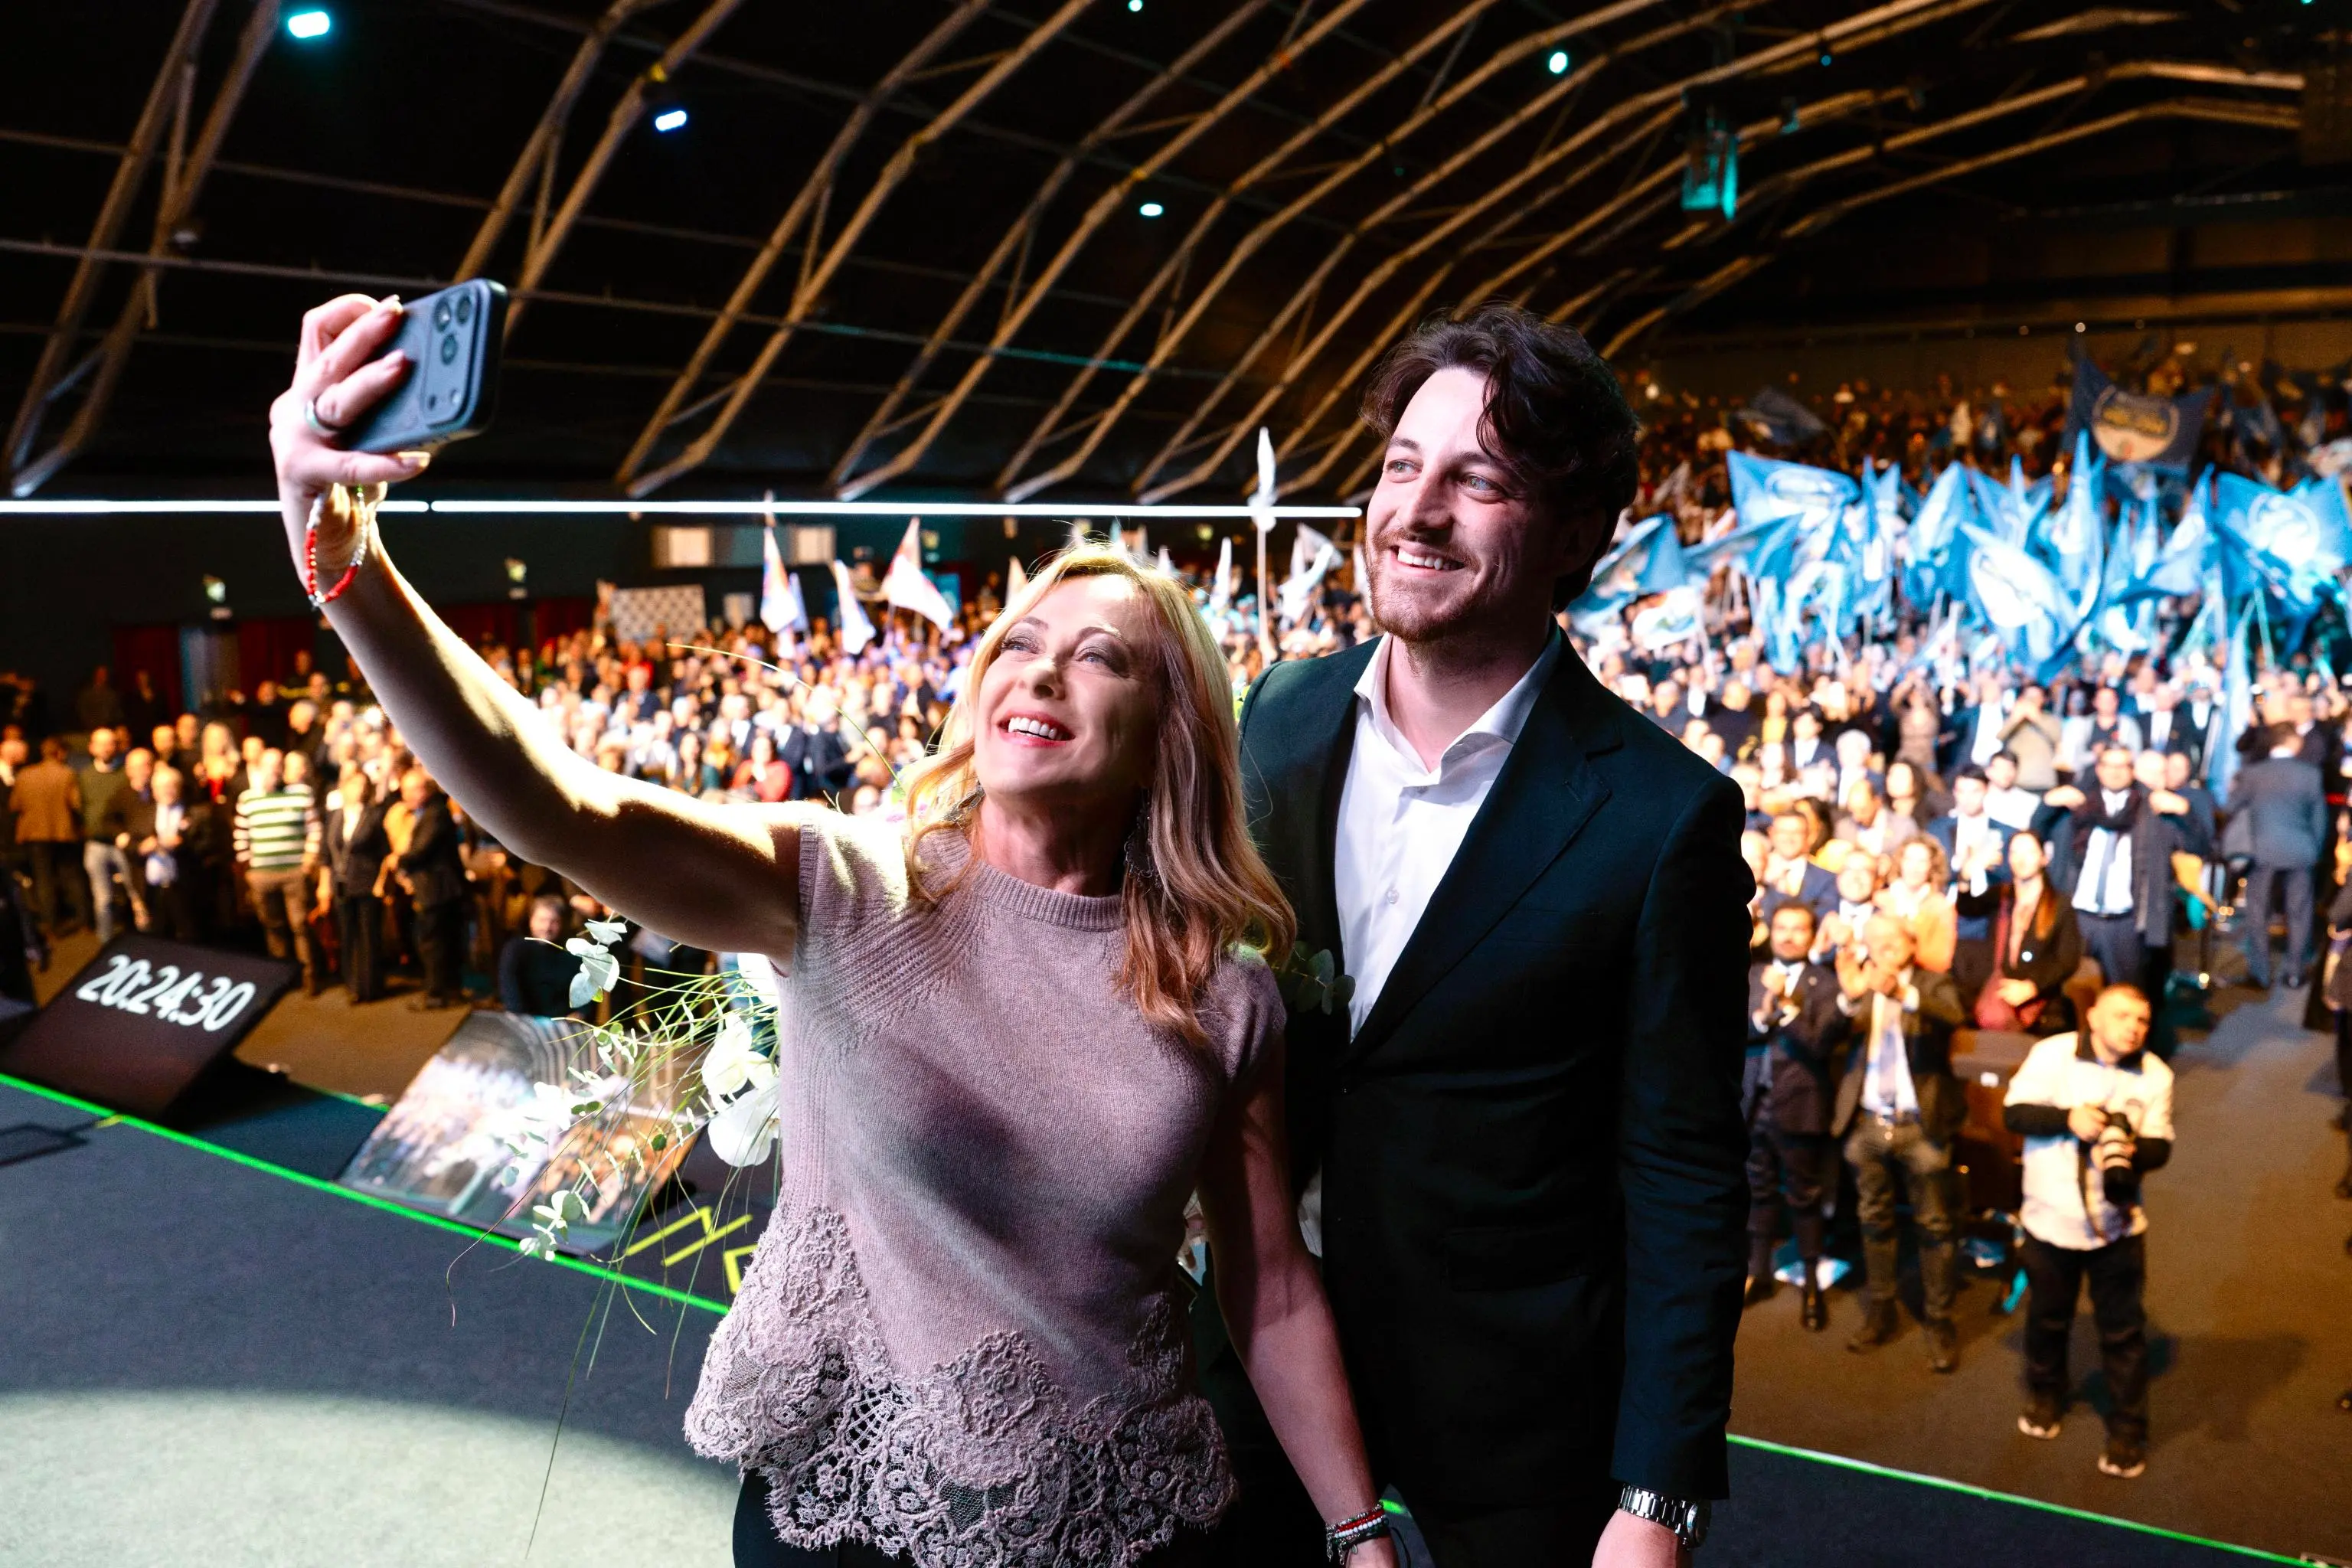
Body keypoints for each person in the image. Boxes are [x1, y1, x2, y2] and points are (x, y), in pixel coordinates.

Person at [270, 292, 1400, 1568]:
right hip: (846, 1523)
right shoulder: (845, 883)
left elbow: (1271, 1284)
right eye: (1019, 640)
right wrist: (343, 560)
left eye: (1098, 659)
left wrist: (1359, 1527)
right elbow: (555, 802)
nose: (1038, 668)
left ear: (1168, 734)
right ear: (976, 694)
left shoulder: (1222, 992)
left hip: (1118, 1522)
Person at [1204, 302, 1748, 1566]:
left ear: (1572, 532)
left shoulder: (1661, 817)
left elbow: (1683, 1174)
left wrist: (1655, 1493)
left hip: (1517, 1404)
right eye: (1401, 464)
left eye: (1477, 479)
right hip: (1262, 1351)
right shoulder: (1280, 715)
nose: (1416, 509)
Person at [2003, 985, 2173, 1480]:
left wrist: (2127, 1148)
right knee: (2047, 1321)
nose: (2133, 1027)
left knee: (2123, 1334)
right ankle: (2045, 1395)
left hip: (2117, 1228)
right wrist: (2067, 1120)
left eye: (2142, 1019)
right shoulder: (2052, 1054)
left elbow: (2161, 1147)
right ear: (2093, 1016)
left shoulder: (2154, 1073)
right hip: (2048, 1220)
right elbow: (2013, 1113)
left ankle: (2127, 1429)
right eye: (2122, 1015)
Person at [1837, 914, 1968, 1372]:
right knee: (1873, 1221)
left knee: (1934, 1225)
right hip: (1868, 1121)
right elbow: (1834, 1033)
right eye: (1875, 943)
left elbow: (1954, 1016)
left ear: (1912, 944)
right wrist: (1847, 995)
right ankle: (1882, 1310)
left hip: (1921, 1125)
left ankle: (1939, 1319)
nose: (1884, 950)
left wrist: (1902, 994)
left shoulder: (1932, 983)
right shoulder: (1863, 986)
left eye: (1892, 942)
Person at [1743, 901, 1850, 1332]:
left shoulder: (1824, 983)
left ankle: (1810, 1281)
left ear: (1812, 936)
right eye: (1781, 927)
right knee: (1757, 1191)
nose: (1788, 936)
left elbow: (1819, 1044)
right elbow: (1739, 1029)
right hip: (1754, 1102)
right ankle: (1758, 1272)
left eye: (1798, 929)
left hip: (1801, 1104)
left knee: (1804, 1196)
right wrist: (1762, 1014)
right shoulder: (1751, 974)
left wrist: (1785, 1008)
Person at [2228, 724, 2328, 991]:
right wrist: (2314, 849)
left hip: (2262, 851)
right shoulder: (2310, 774)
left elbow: (2232, 807)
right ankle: (2295, 972)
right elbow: (2319, 818)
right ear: (2294, 744)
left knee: (2257, 912)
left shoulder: (2254, 774)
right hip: (2301, 850)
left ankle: (2260, 973)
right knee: (2299, 912)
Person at [234, 748, 322, 995]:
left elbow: (315, 829)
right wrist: (249, 868)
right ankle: (282, 979)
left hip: (294, 872)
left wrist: (308, 860)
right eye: (269, 765)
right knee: (273, 927)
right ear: (260, 767)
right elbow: (241, 835)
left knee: (300, 926)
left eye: (278, 765)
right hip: (262, 874)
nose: (274, 770)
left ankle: (309, 978)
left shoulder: (301, 795)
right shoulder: (248, 798)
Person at [1977, 831, 2083, 1034]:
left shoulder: (2060, 905)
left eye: (2029, 852)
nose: (2021, 859)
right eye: (2015, 852)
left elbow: (2067, 960)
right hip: (2001, 988)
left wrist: (2031, 986)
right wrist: (1969, 873)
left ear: (2044, 858)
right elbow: (1968, 907)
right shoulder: (2002, 896)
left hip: (2042, 995)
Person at [390, 767, 470, 1010]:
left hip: (437, 890)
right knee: (441, 940)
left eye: (409, 790)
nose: (405, 796)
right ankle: (449, 989)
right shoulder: (428, 812)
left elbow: (421, 850)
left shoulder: (436, 813)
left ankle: (436, 993)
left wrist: (399, 860)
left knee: (432, 942)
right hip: (436, 888)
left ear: (422, 790)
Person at [321, 765, 390, 1002]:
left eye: (363, 785)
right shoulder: (335, 815)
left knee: (368, 935)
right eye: (354, 785)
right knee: (348, 934)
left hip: (367, 882)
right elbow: (326, 853)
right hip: (341, 882)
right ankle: (352, 984)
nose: (358, 790)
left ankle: (370, 986)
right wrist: (324, 885)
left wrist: (382, 882)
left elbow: (385, 852)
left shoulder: (373, 814)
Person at [10, 736, 84, 936]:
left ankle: (52, 924)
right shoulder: (67, 774)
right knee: (71, 875)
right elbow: (76, 804)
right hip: (63, 833)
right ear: (60, 753)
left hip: (35, 835)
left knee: (44, 879)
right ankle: (84, 918)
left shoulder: (25, 774)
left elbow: (15, 805)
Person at [77, 727, 138, 942]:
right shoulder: (84, 777)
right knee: (103, 898)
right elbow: (80, 807)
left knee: (135, 892)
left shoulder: (125, 774)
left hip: (123, 843)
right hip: (95, 845)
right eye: (100, 743)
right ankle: (106, 942)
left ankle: (145, 938)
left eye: (110, 743)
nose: (105, 748)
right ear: (92, 748)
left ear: (117, 746)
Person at [1877, 837, 1958, 974]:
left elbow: (1942, 960)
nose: (1914, 868)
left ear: (1932, 866)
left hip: (1922, 979)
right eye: (1909, 860)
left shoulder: (1942, 908)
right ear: (1900, 862)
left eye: (1922, 862)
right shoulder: (1880, 899)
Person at [497, 893, 585, 1016]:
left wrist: (580, 1014)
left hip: (564, 1023)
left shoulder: (574, 953)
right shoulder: (516, 950)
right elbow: (510, 990)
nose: (547, 927)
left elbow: (585, 991)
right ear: (531, 920)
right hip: (524, 1020)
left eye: (554, 922)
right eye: (542, 920)